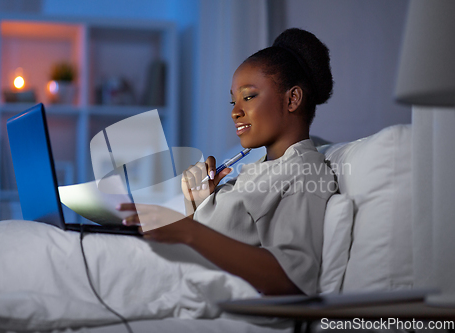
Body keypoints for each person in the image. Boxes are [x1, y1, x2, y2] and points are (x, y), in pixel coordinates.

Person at [118, 28, 337, 296]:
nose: (235, 111)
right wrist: (196, 204)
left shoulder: (304, 171)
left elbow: (292, 279)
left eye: (248, 97)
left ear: (292, 99)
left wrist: (188, 231)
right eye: (233, 100)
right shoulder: (259, 168)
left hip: (181, 287)